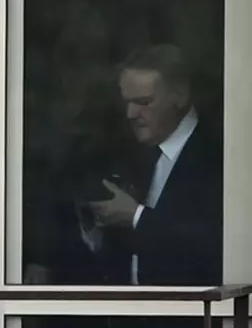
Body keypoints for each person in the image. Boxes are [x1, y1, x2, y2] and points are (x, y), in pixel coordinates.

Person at [79, 44, 221, 288]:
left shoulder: (219, 156)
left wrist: (135, 217)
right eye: (127, 102)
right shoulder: (127, 152)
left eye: (143, 102)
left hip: (193, 321)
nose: (131, 113)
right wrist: (94, 233)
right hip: (129, 319)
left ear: (180, 95)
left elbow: (213, 246)